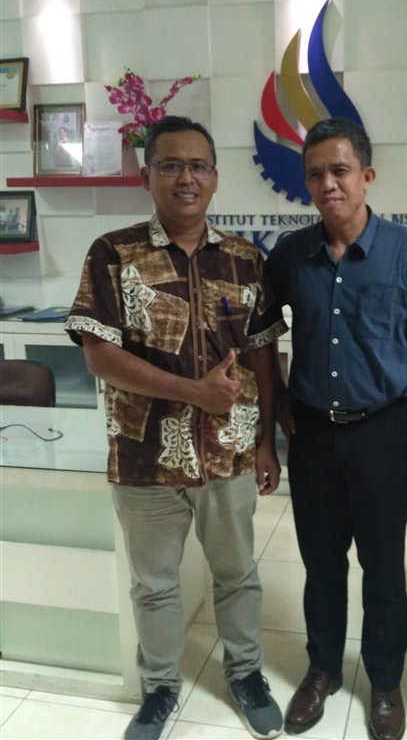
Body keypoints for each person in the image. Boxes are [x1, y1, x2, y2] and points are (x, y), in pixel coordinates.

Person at [65, 115, 287, 740]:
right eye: (170, 166)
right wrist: (193, 392)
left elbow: (265, 356)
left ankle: (246, 674)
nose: (185, 178)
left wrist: (267, 441)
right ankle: (160, 688)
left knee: (236, 574)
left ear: (214, 177)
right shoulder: (113, 254)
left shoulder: (246, 261)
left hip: (230, 452)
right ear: (147, 177)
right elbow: (99, 355)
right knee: (155, 585)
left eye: (198, 166)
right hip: (143, 456)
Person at [265, 118, 407, 740]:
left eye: (340, 170)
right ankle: (322, 670)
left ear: (367, 176)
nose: (328, 184)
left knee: (383, 568)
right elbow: (262, 338)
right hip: (312, 436)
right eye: (316, 174)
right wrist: (276, 410)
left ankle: (384, 681)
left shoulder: (406, 253)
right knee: (321, 564)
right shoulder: (291, 254)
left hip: (381, 433)